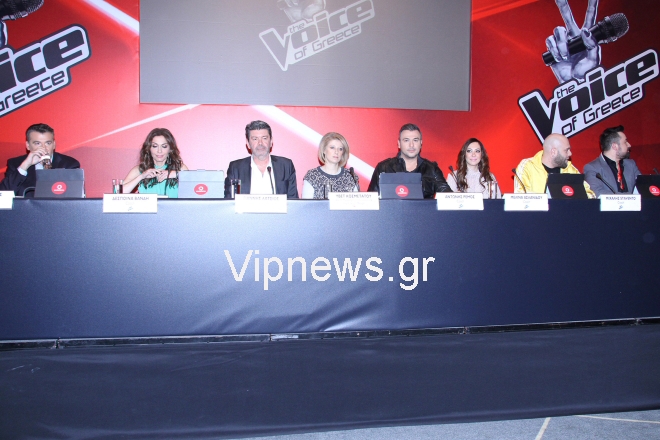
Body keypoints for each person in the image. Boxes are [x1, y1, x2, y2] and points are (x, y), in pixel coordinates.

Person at [367, 123, 451, 198]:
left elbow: (447, 196)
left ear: (421, 143)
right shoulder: (383, 168)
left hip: (424, 211)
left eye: (415, 140)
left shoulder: (432, 169)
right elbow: (371, 201)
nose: (411, 145)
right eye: (406, 140)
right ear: (399, 144)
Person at [0, 123, 80, 197]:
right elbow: (4, 194)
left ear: (54, 144)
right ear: (28, 146)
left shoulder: (69, 164)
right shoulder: (16, 163)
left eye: (48, 143)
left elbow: (72, 197)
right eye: (37, 143)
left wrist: (47, 167)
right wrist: (25, 166)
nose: (44, 148)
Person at [224, 120, 298, 198]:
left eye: (264, 138)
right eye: (255, 139)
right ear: (248, 143)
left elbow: (293, 201)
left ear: (271, 141)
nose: (260, 143)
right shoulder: (236, 168)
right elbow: (229, 202)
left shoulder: (286, 166)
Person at [514, 133, 595, 197]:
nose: (570, 153)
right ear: (553, 152)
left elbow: (590, 196)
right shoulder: (527, 167)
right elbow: (521, 199)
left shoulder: (570, 169)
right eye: (566, 150)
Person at [122, 128, 188, 197]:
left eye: (164, 146)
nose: (159, 151)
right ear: (149, 148)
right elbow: (120, 194)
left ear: (170, 149)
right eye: (155, 146)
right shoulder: (139, 170)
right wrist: (141, 177)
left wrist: (176, 174)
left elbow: (192, 191)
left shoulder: (180, 168)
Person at [584, 125, 641, 197]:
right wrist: (629, 197)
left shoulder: (631, 164)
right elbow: (596, 193)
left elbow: (642, 188)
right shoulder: (593, 168)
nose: (629, 145)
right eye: (625, 142)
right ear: (615, 146)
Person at [302, 132, 359, 199]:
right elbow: (306, 204)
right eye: (332, 147)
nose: (336, 152)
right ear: (324, 150)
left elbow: (357, 204)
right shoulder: (312, 176)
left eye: (340, 149)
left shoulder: (350, 177)